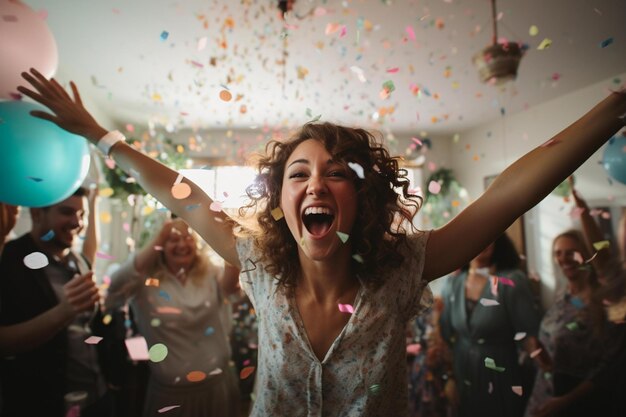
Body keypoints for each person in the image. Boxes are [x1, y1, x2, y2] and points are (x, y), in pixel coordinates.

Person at [16, 68, 626, 416]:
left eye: (337, 172)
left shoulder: (408, 265)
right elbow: (180, 192)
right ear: (282, 203)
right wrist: (97, 134)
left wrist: (613, 109)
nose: (316, 183)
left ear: (362, 200)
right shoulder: (254, 259)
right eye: (299, 173)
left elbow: (509, 196)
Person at [105, 218, 241, 417]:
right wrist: (161, 234)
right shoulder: (144, 281)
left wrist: (230, 237)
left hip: (217, 386)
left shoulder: (209, 272)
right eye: (173, 240)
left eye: (188, 238)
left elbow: (231, 287)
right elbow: (115, 286)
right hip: (171, 396)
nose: (182, 245)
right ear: (160, 245)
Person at [0, 187, 112, 417]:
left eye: (81, 215)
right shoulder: (9, 259)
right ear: (37, 214)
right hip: (41, 405)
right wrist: (64, 312)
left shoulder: (78, 261)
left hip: (95, 400)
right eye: (67, 212)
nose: (76, 222)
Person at [524, 183, 620, 417]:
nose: (564, 258)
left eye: (570, 252)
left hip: (578, 402)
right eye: (558, 253)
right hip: (545, 391)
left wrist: (584, 212)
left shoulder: (603, 299)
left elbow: (607, 369)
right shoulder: (563, 295)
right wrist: (542, 358)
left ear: (586, 257)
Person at [439, 233, 542, 417]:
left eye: (487, 235)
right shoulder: (453, 283)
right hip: (462, 375)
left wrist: (546, 367)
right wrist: (450, 378)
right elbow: (446, 337)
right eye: (475, 236)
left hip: (500, 376)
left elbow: (529, 336)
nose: (480, 241)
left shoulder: (511, 281)